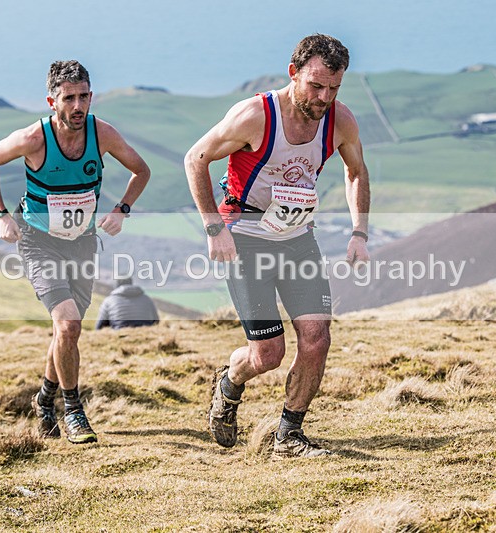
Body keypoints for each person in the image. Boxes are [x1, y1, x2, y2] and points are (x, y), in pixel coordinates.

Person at [185, 35, 370, 457]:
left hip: (297, 239)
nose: (324, 98)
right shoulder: (255, 115)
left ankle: (288, 434)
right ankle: (230, 382)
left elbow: (356, 171)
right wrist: (214, 228)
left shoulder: (340, 120)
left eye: (334, 88)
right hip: (245, 239)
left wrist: (359, 232)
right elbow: (196, 158)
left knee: (316, 337)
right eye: (316, 86)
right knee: (268, 353)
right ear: (293, 73)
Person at [0, 60, 150, 444]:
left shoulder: (101, 133)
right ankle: (73, 410)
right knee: (69, 324)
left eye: (84, 96)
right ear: (51, 100)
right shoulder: (34, 139)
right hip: (38, 242)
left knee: (66, 331)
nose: (78, 106)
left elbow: (142, 170)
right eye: (69, 97)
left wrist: (122, 209)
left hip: (83, 244)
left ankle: (44, 399)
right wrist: (1, 215)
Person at [95, 276, 159, 330]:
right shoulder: (147, 299)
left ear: (116, 285)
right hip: (146, 336)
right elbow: (156, 322)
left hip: (120, 336)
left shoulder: (109, 300)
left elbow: (99, 326)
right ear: (131, 283)